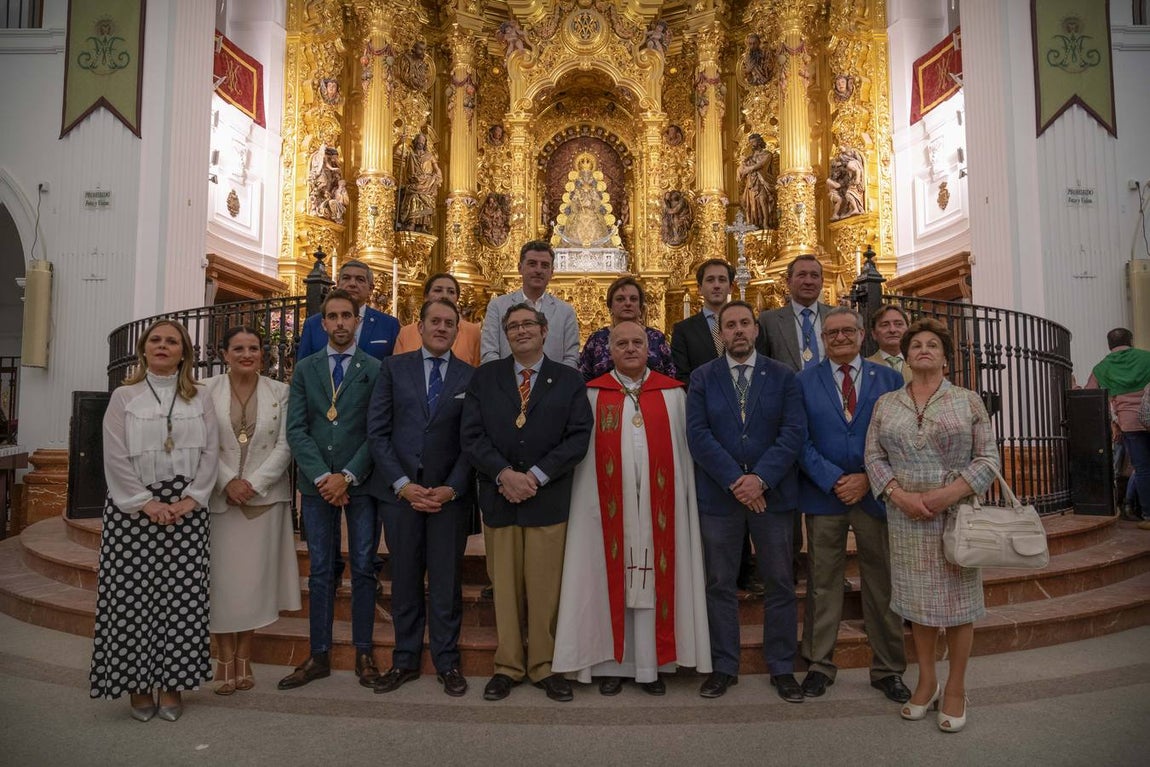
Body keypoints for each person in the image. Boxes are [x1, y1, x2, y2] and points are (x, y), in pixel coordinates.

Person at [554, 321, 711, 695]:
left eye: (637, 342)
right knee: (606, 574)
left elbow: (684, 456)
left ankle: (652, 665)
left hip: (660, 507)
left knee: (658, 578)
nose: (629, 348)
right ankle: (612, 664)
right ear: (610, 350)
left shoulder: (673, 394)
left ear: (649, 348)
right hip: (607, 510)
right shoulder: (593, 393)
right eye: (621, 343)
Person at [864, 318, 1000, 733]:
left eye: (933, 345)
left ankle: (956, 687)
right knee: (917, 605)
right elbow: (873, 457)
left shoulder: (968, 400)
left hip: (955, 516)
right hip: (905, 517)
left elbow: (989, 459)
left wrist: (947, 494)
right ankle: (926, 680)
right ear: (905, 355)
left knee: (959, 607)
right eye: (916, 344)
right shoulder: (887, 403)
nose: (924, 349)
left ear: (944, 357)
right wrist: (899, 496)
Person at [462, 303, 593, 703]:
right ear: (505, 334)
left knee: (544, 587)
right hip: (500, 496)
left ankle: (543, 666)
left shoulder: (568, 380)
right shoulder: (486, 378)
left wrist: (535, 476)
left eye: (528, 325)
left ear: (543, 329)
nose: (521, 331)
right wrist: (504, 474)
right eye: (513, 326)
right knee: (503, 586)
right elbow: (472, 434)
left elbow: (578, 437)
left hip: (546, 497)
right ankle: (508, 666)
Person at [90, 319, 219, 722]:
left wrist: (192, 499)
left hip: (187, 510)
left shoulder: (201, 397)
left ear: (184, 352)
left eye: (173, 341)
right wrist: (145, 503)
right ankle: (139, 686)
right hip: (133, 510)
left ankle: (173, 684)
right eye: (156, 341)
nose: (163, 346)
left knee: (182, 602)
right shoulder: (123, 397)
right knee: (132, 602)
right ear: (144, 350)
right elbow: (113, 455)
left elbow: (211, 453)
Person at [686, 301, 806, 701]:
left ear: (756, 330)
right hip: (720, 496)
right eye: (730, 325)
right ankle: (724, 666)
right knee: (719, 583)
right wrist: (737, 480)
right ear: (720, 333)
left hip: (772, 495)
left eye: (744, 323)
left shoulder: (784, 376)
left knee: (779, 582)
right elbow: (698, 435)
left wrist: (760, 479)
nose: (738, 330)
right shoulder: (702, 377)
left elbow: (792, 433)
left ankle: (782, 667)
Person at [795, 308, 910, 703]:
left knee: (881, 583)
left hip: (874, 495)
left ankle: (889, 669)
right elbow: (800, 439)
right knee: (822, 583)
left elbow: (899, 438)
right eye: (832, 333)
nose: (840, 338)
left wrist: (866, 477)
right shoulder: (803, 381)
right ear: (822, 340)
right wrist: (832, 479)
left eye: (848, 331)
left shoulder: (891, 379)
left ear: (864, 335)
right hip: (824, 494)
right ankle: (818, 665)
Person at [367, 299, 475, 697]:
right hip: (401, 496)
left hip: (449, 498)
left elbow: (472, 441)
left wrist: (451, 487)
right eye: (436, 321)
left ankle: (448, 662)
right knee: (407, 579)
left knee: (446, 583)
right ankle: (405, 660)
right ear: (421, 325)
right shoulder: (393, 369)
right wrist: (402, 484)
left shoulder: (470, 376)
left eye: (450, 323)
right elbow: (377, 432)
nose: (442, 328)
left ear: (457, 330)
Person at [280, 289, 383, 691]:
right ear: (323, 324)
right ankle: (318, 653)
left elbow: (377, 431)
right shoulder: (305, 369)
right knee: (321, 571)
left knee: (362, 567)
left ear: (358, 321)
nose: (340, 323)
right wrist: (325, 477)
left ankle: (363, 651)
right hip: (317, 485)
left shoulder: (375, 369)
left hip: (361, 484)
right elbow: (296, 429)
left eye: (347, 316)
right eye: (333, 317)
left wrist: (349, 476)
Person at [202, 326, 300, 696]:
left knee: (253, 586)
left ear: (263, 353)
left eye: (254, 348)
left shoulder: (280, 392)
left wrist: (253, 484)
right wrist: (228, 481)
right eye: (238, 348)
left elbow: (286, 445)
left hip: (265, 501)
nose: (247, 354)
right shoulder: (203, 390)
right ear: (224, 353)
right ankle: (223, 658)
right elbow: (201, 443)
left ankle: (245, 655)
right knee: (223, 586)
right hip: (218, 500)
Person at [671, 259, 764, 596]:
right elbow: (679, 374)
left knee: (750, 497)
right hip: (709, 422)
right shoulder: (685, 329)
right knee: (719, 500)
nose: (716, 285)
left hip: (748, 422)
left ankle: (747, 567)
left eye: (722, 279)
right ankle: (718, 570)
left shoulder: (749, 325)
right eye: (709, 280)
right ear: (700, 288)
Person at [1086, 328, 1150, 525]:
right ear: (1130, 340)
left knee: (1142, 469)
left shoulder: (1101, 368)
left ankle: (1148, 514)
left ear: (1109, 345)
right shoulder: (1146, 357)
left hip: (1129, 424)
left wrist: (1112, 421)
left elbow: (1090, 395)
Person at [480, 241, 580, 368]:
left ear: (552, 271)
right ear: (520, 268)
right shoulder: (498, 307)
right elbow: (489, 353)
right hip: (506, 384)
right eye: (532, 264)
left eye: (544, 265)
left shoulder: (565, 311)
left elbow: (571, 358)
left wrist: (557, 384)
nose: (538, 270)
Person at [296, 259, 400, 362]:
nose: (352, 284)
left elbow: (396, 368)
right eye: (346, 278)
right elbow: (303, 369)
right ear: (337, 284)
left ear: (371, 288)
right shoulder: (314, 324)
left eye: (360, 279)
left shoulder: (389, 325)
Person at [578, 276, 676, 381]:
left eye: (633, 299)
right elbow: (582, 379)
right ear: (610, 305)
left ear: (640, 306)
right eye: (620, 299)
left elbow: (670, 376)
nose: (628, 303)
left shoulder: (657, 338)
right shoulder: (596, 340)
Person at [757, 254, 833, 372]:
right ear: (788, 281)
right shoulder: (768, 321)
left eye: (814, 276)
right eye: (802, 275)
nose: (808, 281)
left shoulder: (835, 316)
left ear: (822, 282)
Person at [394, 273, 481, 365]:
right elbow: (398, 369)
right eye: (438, 290)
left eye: (451, 292)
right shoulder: (406, 333)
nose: (445, 296)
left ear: (457, 299)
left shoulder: (473, 332)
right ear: (426, 297)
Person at [398, 133, 442, 232]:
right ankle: (412, 222)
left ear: (425, 143)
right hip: (414, 183)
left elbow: (437, 169)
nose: (421, 143)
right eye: (419, 140)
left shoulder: (430, 156)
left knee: (428, 201)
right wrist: (399, 143)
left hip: (427, 183)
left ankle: (424, 226)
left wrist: (438, 178)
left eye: (423, 141)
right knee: (413, 198)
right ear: (415, 142)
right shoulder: (410, 153)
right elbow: (394, 153)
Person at [738, 133, 775, 230]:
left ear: (759, 142)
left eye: (754, 142)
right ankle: (753, 223)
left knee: (763, 200)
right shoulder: (749, 158)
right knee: (751, 203)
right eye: (751, 143)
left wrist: (748, 169)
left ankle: (766, 223)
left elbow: (760, 165)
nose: (752, 145)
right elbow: (741, 171)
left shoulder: (767, 154)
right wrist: (742, 165)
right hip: (750, 182)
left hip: (761, 180)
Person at [868, 304, 913, 383]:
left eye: (898, 324)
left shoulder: (921, 364)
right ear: (874, 334)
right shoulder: (864, 367)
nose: (892, 330)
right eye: (885, 325)